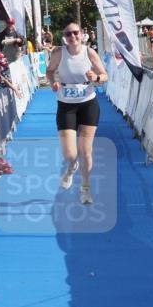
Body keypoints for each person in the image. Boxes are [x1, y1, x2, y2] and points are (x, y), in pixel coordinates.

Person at [44, 22, 108, 205]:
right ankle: (72, 168)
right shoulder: (59, 53)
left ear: (82, 35)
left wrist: (95, 78)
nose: (72, 36)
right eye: (68, 33)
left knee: (85, 150)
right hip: (66, 106)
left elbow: (104, 75)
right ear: (64, 37)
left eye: (75, 33)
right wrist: (52, 82)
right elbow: (49, 71)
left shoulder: (89, 53)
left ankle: (85, 190)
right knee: (70, 155)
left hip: (88, 104)